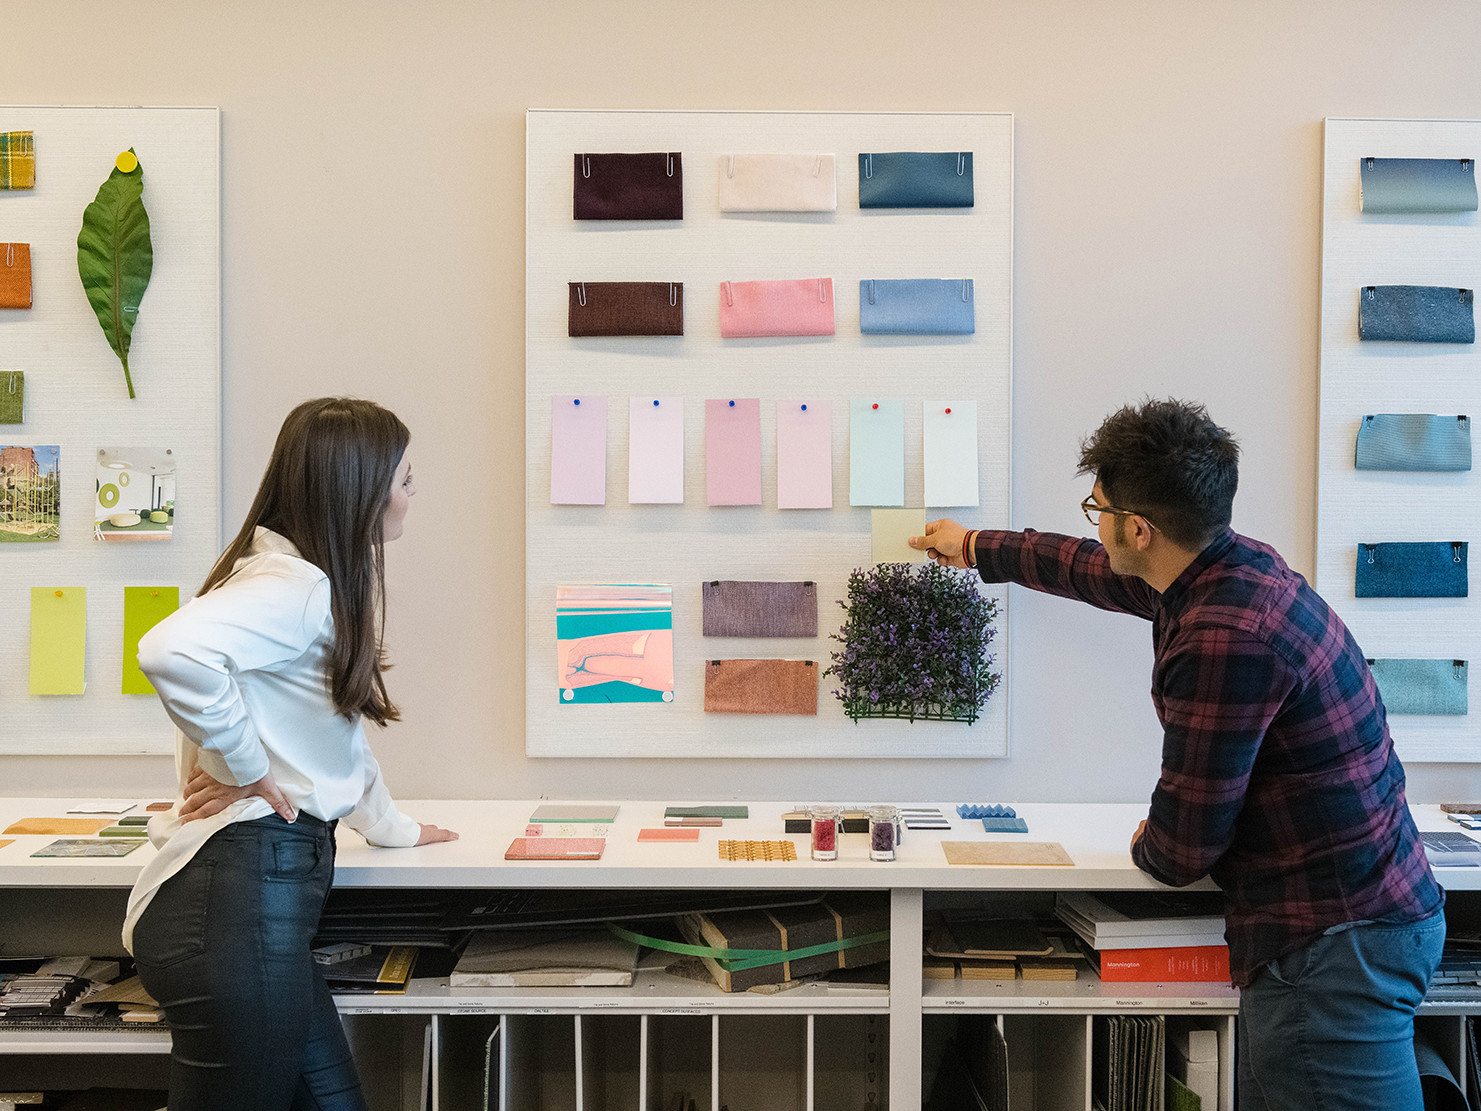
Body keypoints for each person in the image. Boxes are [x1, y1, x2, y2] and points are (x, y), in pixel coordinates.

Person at [911, 398, 1445, 1111]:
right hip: (1357, 924)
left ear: (1137, 527)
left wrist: (1153, 842)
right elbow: (1084, 569)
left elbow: (1181, 846)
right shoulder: (1228, 567)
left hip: (1331, 948)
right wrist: (974, 543)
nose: (1092, 523)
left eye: (1095, 507)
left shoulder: (1224, 635)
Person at [123, 397, 458, 1111]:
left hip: (255, 907)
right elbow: (167, 649)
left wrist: (392, 826)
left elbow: (332, 733)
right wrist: (249, 769)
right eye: (403, 477)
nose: (411, 494)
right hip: (238, 907)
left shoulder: (296, 577)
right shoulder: (292, 585)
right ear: (359, 490)